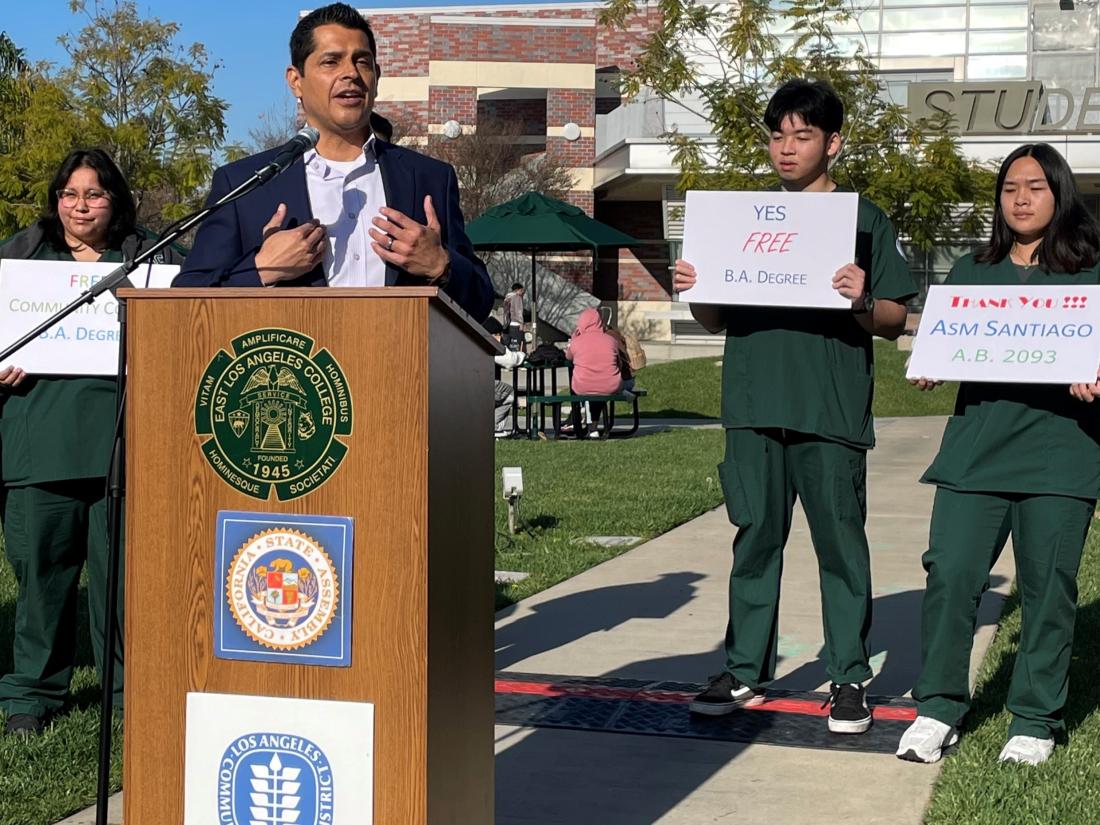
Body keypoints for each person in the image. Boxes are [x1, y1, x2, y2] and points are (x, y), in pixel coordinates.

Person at [673, 79, 917, 734]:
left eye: (802, 134)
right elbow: (713, 313)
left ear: (832, 142)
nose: (787, 147)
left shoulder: (864, 220)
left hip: (829, 410)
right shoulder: (743, 222)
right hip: (754, 406)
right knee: (755, 539)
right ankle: (745, 667)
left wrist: (864, 297)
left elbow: (894, 319)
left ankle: (848, 676)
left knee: (841, 545)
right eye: (778, 134)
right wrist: (696, 287)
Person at [897, 144, 1100, 766]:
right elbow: (947, 344)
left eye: (1035, 187)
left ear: (1059, 194)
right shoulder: (969, 272)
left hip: (1061, 453)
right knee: (951, 578)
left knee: (1047, 588)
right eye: (1010, 187)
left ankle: (1035, 718)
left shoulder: (1092, 274)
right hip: (974, 454)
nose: (1020, 198)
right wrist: (931, 361)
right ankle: (937, 709)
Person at [0, 148, 185, 736]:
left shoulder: (151, 257)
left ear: (116, 200)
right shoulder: (21, 258)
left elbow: (185, 329)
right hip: (37, 447)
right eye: (70, 194)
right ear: (57, 200)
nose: (82, 206)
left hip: (122, 444)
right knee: (40, 581)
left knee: (123, 584)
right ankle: (30, 694)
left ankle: (129, 691)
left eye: (95, 194)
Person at [172, 3, 493, 322]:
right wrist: (262, 269)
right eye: (331, 61)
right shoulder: (245, 185)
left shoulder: (430, 178)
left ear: (376, 78)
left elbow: (480, 302)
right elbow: (187, 299)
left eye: (362, 62)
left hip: (402, 369)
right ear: (296, 80)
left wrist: (440, 265)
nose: (351, 73)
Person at [483, 317, 525, 437]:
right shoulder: (490, 344)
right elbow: (511, 361)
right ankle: (494, 428)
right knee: (509, 393)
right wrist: (521, 354)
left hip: (471, 385)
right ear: (495, 334)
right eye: (500, 334)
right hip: (486, 385)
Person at [503, 282, 526, 351]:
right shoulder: (517, 297)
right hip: (516, 324)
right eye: (522, 291)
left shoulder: (507, 298)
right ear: (518, 290)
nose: (523, 293)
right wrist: (521, 323)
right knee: (519, 345)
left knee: (507, 346)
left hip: (507, 325)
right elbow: (518, 310)